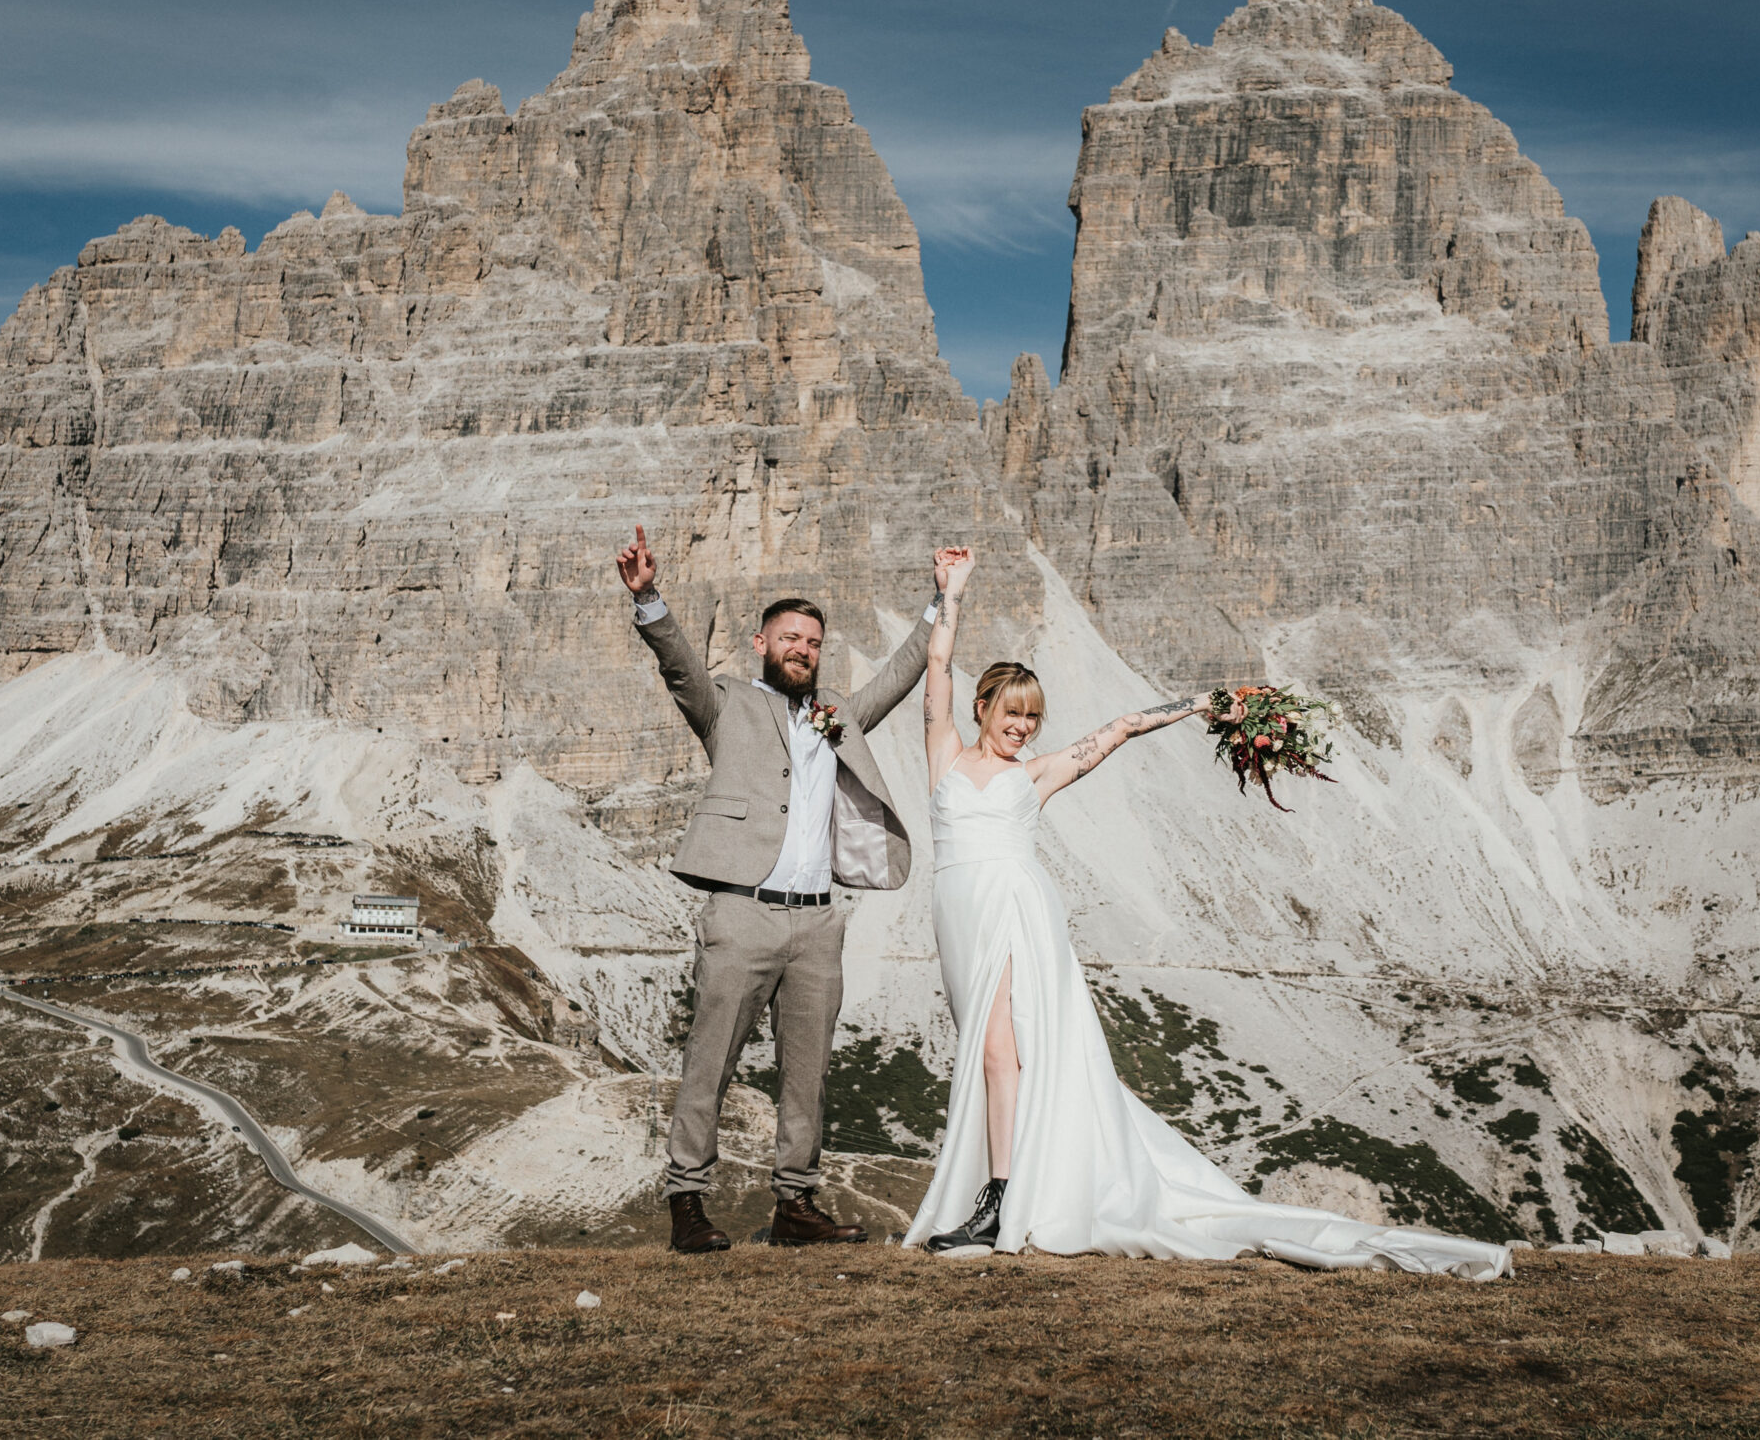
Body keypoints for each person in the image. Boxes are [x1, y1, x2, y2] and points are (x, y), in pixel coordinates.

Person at [903, 547, 1511, 1277]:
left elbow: (1119, 730)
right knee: (986, 1050)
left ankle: (1002, 1197)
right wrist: (953, 592)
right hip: (955, 912)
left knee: (1005, 1052)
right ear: (982, 708)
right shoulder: (942, 752)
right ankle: (1001, 1184)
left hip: (1012, 908)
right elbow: (935, 670)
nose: (1024, 727)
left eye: (1033, 717)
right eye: (1012, 713)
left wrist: (1198, 706)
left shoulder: (1033, 775)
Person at [619, 524, 960, 1254]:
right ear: (761, 644)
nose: (802, 649)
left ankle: (796, 1203)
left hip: (816, 925)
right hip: (742, 915)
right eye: (789, 638)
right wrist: (649, 599)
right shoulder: (729, 705)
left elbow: (901, 675)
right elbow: (679, 666)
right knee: (710, 1058)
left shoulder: (839, 715)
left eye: (812, 641)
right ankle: (687, 1201)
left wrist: (940, 599)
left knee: (808, 1071)